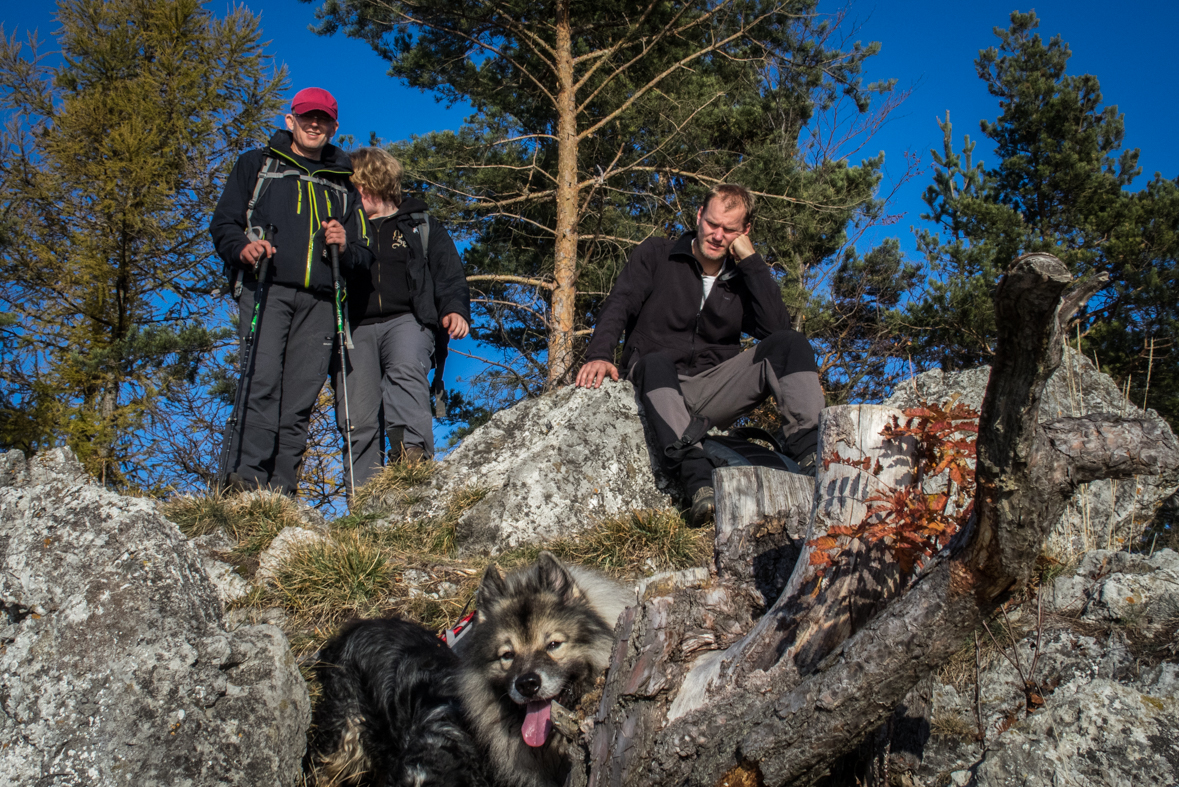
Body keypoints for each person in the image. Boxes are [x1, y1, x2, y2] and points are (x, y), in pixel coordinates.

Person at [575, 184, 824, 526]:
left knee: (791, 344)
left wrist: (751, 263)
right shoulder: (658, 254)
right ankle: (699, 483)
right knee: (656, 360)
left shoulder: (741, 279)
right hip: (656, 382)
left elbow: (777, 330)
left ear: (744, 232)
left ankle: (813, 454)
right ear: (698, 217)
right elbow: (621, 302)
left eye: (729, 230)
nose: (718, 235)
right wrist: (600, 353)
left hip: (710, 389)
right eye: (711, 224)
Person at [210, 87, 373, 495]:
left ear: (334, 127)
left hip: (321, 301)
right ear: (291, 121)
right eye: (306, 117)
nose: (314, 124)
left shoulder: (344, 184)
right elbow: (224, 223)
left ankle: (281, 491)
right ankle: (244, 483)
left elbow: (365, 254)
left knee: (300, 396)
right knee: (259, 381)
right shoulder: (258, 165)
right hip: (266, 289)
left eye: (323, 119)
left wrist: (345, 246)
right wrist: (243, 248)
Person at [334, 147, 470, 488]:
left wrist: (454, 309)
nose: (353, 195)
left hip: (408, 320)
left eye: (356, 187)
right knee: (357, 413)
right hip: (355, 328)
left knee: (406, 375)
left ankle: (411, 469)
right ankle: (363, 497)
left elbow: (448, 271)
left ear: (372, 184)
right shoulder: (346, 230)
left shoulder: (420, 224)